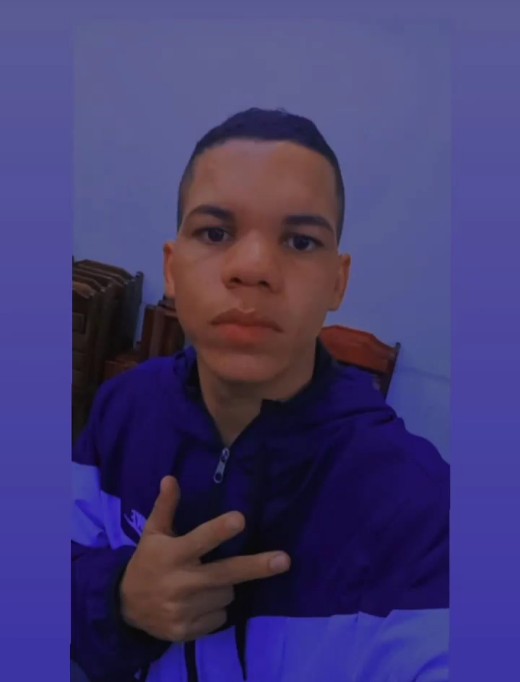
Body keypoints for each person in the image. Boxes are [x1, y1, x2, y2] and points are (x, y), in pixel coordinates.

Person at [71, 108, 449, 682]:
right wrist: (120, 597)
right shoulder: (120, 410)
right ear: (172, 269)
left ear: (338, 282)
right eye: (215, 233)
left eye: (300, 241)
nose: (253, 268)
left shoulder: (422, 510)